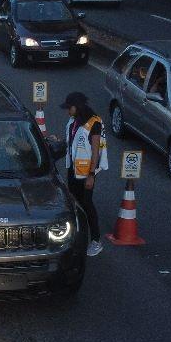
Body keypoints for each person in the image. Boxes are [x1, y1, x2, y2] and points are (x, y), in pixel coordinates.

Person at [55, 92, 108, 257]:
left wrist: (91, 174)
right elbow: (71, 143)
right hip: (74, 170)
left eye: (68, 107)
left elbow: (95, 150)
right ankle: (77, 235)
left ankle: (96, 240)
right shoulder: (73, 121)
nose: (67, 111)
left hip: (87, 172)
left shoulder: (94, 123)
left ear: (77, 107)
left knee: (87, 203)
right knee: (75, 203)